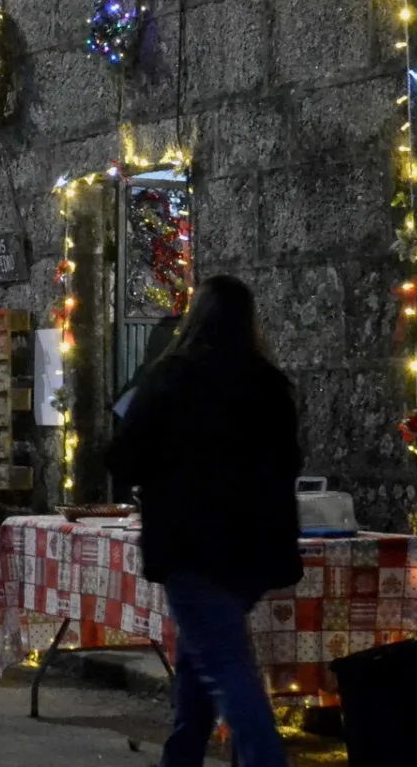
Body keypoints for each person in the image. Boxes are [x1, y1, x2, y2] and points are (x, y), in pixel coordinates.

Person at [106, 276, 303, 767]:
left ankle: (265, 759)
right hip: (254, 551)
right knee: (202, 655)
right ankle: (181, 757)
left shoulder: (171, 376)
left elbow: (124, 456)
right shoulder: (269, 384)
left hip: (191, 547)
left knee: (226, 666)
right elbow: (290, 462)